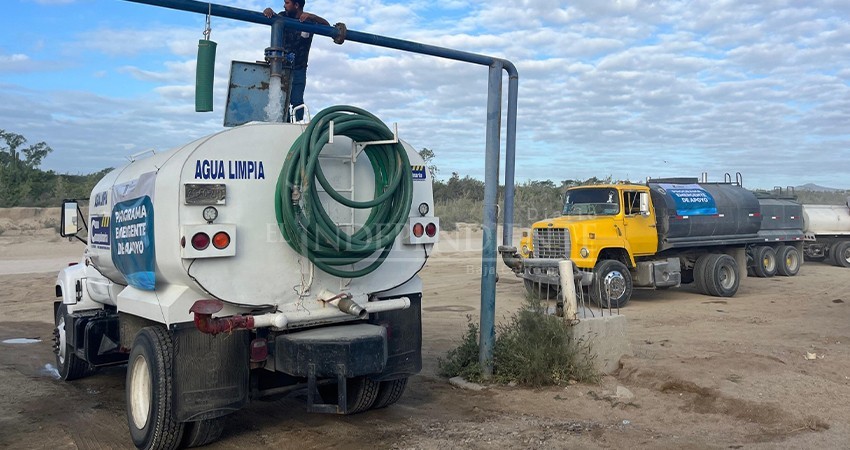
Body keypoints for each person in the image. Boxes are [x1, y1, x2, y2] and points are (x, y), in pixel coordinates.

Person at [263, 0, 329, 121]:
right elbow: (271, 15)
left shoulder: (309, 21)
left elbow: (328, 27)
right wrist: (268, 11)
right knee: (282, 99)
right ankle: (283, 124)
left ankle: (297, 125)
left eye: (287, 3)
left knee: (297, 100)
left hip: (299, 68)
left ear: (296, 5)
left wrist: (313, 16)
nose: (284, 5)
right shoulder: (282, 16)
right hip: (282, 68)